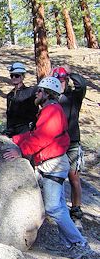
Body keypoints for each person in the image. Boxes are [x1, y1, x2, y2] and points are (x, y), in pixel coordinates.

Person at [3, 77, 90, 257]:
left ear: (47, 94)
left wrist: (21, 151)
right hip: (53, 163)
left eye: (40, 91)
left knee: (53, 208)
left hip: (53, 165)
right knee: (59, 206)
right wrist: (15, 140)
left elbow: (42, 138)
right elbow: (36, 133)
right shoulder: (50, 110)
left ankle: (78, 242)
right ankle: (72, 242)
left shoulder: (51, 111)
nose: (37, 93)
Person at [52, 66, 87, 224]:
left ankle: (76, 211)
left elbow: (82, 85)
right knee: (55, 177)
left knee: (73, 178)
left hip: (72, 142)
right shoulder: (51, 99)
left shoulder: (73, 97)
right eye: (58, 80)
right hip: (56, 144)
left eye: (63, 80)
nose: (61, 83)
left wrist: (70, 72)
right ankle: (56, 210)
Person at [5, 62, 38, 137]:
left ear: (23, 77)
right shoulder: (10, 95)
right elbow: (9, 116)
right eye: (12, 75)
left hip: (26, 130)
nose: (14, 78)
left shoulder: (30, 92)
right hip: (12, 131)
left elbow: (35, 113)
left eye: (17, 75)